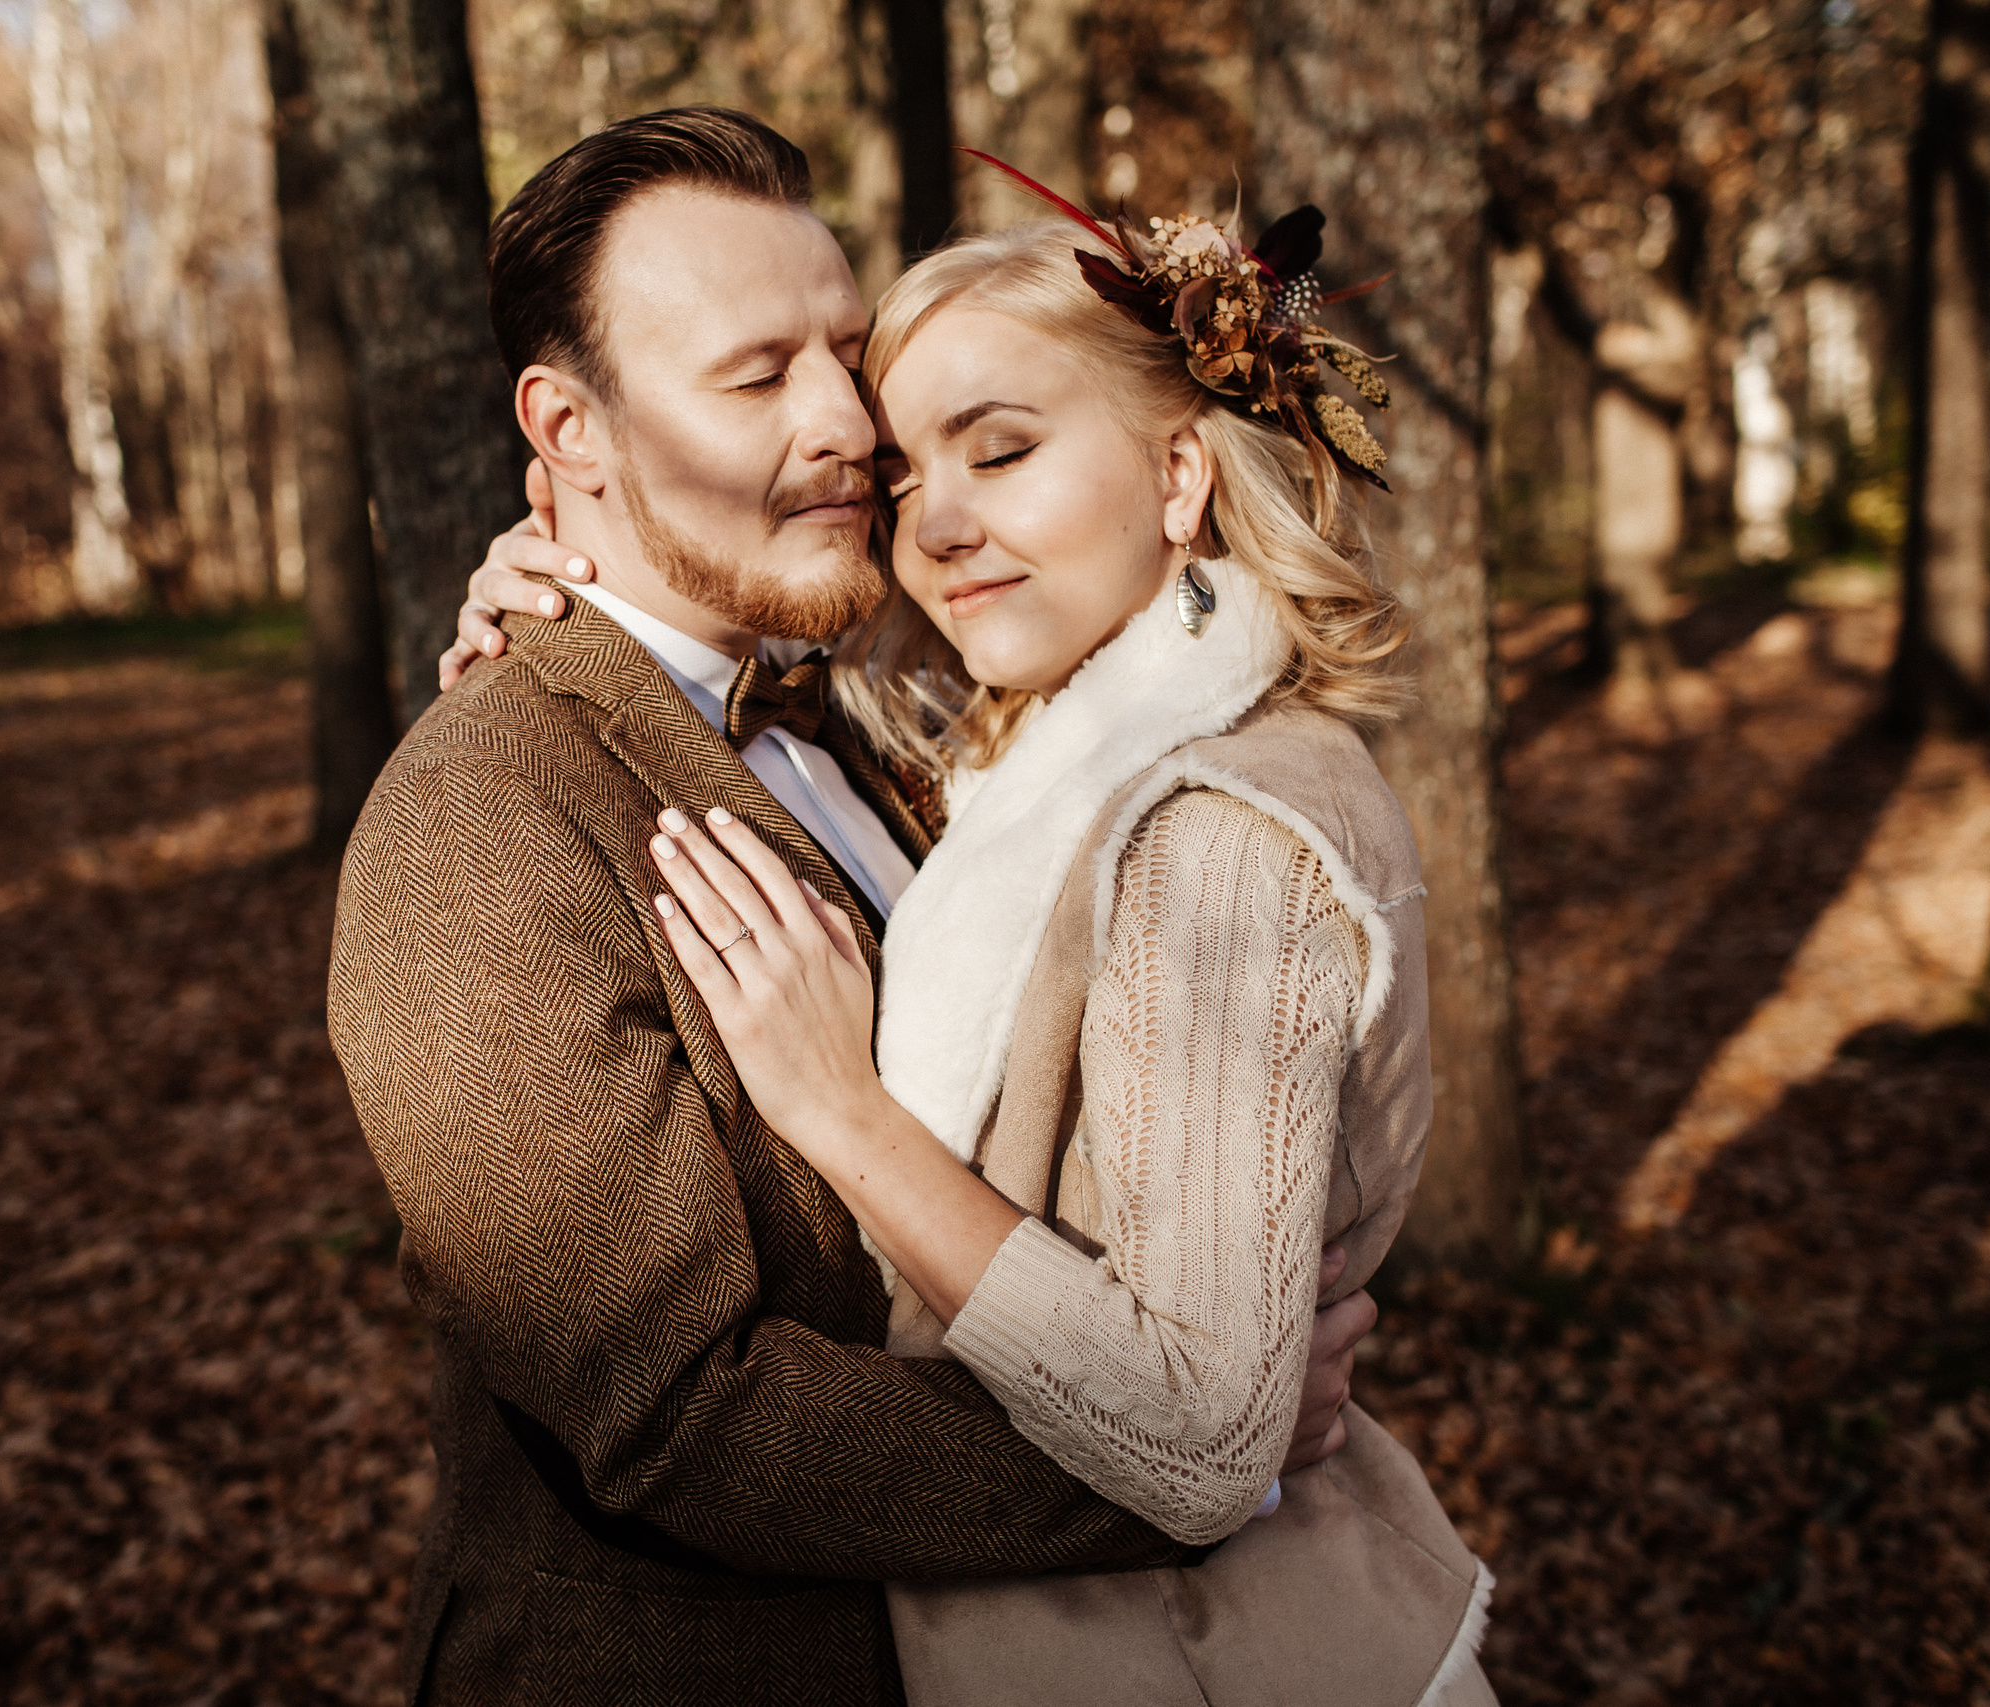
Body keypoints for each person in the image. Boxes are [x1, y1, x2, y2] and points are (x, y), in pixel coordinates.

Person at [327, 107, 1373, 1707]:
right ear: (573, 433)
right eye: (757, 378)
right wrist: (1177, 1444)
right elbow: (673, 1412)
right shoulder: (482, 817)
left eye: (845, 352)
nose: (849, 423)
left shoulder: (882, 719)